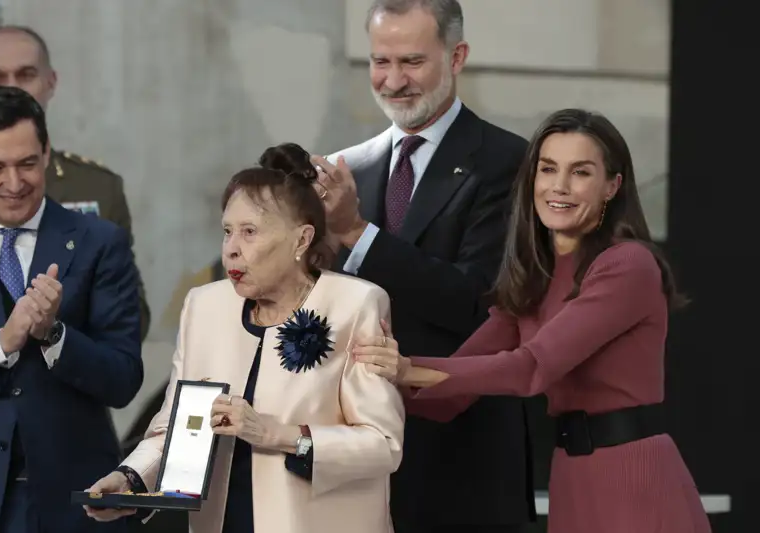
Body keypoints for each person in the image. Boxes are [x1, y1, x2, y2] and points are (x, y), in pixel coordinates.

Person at [352, 108, 712, 533]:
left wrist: (407, 368)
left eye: (580, 172)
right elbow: (448, 395)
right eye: (548, 169)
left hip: (632, 476)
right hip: (571, 476)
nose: (558, 187)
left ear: (612, 186)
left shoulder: (627, 264)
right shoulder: (535, 276)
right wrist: (355, 383)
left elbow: (531, 368)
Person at [84, 143, 405, 533]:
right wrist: (131, 479)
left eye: (249, 232)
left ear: (301, 240)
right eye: (227, 231)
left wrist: (278, 435)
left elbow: (382, 445)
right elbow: (176, 427)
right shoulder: (204, 307)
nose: (231, 250)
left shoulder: (355, 304)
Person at [310, 1, 533, 531]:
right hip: (355, 460)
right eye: (379, 61)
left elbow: (474, 302)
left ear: (456, 57)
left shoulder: (509, 161)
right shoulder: (349, 167)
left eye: (411, 61)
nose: (392, 81)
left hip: (462, 457)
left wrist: (354, 232)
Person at [0, 86, 143, 532]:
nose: (14, 182)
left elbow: (122, 379)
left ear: (46, 153)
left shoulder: (100, 242)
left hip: (76, 504)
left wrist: (55, 336)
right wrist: (1, 344)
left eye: (26, 163)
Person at [0, 25, 151, 340]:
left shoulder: (96, 188)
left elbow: (129, 320)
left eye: (26, 75)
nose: (13, 88)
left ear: (51, 82)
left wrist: (53, 331)